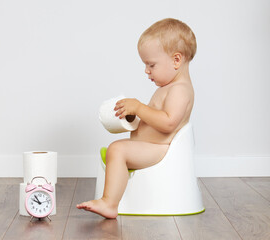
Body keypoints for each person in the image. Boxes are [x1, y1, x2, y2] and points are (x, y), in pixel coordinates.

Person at [76, 18, 197, 219]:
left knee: (117, 149)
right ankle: (110, 200)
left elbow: (168, 123)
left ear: (176, 60)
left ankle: (109, 203)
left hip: (159, 150)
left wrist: (140, 108)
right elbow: (155, 120)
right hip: (151, 146)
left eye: (151, 64)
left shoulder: (180, 90)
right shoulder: (168, 88)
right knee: (117, 148)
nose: (146, 70)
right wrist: (134, 117)